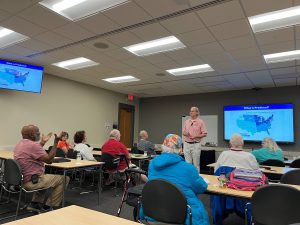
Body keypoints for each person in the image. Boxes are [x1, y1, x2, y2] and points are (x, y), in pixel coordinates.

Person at [140, 134, 209, 225]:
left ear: (163, 147)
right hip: (182, 217)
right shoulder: (189, 168)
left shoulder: (152, 165)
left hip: (153, 214)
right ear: (180, 150)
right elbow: (202, 188)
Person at [14, 125, 69, 211]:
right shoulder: (33, 145)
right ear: (32, 134)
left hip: (22, 180)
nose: (39, 133)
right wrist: (56, 141)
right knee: (64, 179)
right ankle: (49, 206)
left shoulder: (20, 143)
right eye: (38, 131)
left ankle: (35, 204)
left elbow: (33, 152)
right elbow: (49, 160)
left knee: (42, 175)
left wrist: (42, 143)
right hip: (31, 182)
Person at [182, 106, 207, 172]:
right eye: (190, 111)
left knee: (196, 164)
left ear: (197, 113)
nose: (191, 112)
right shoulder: (187, 121)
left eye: (193, 111)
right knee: (187, 163)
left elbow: (205, 134)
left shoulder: (200, 122)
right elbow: (183, 132)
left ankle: (196, 179)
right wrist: (185, 133)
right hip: (186, 144)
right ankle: (188, 179)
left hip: (195, 144)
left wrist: (196, 136)